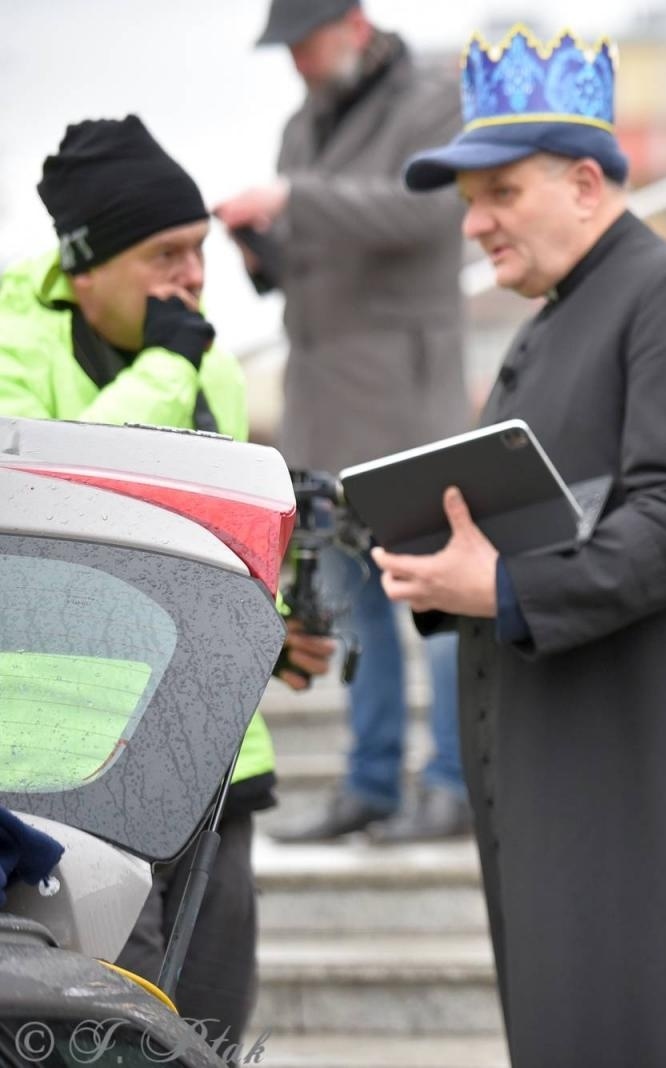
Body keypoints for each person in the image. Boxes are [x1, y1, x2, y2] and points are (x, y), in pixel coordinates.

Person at [369, 26, 666, 1066]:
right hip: (590, 777)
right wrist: (445, 565)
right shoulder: (556, 316)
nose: (475, 224)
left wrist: (506, 584)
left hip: (663, 782)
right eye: (468, 203)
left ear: (584, 180)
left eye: (499, 195)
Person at [0, 115, 334, 1054]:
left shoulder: (207, 363)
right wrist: (164, 365)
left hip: (214, 757)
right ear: (84, 267)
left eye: (199, 250)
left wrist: (273, 637)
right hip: (71, 778)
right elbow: (67, 499)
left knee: (217, 1024)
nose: (192, 275)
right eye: (164, 254)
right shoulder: (18, 342)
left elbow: (206, 552)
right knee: (106, 1033)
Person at [216, 0, 473, 843]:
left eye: (305, 44)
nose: (297, 63)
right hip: (323, 412)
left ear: (354, 27)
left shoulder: (431, 102)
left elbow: (422, 211)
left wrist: (295, 196)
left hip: (407, 402)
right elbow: (308, 259)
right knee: (354, 607)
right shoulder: (301, 126)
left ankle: (452, 784)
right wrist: (263, 248)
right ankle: (370, 785)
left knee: (432, 601)